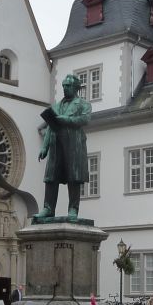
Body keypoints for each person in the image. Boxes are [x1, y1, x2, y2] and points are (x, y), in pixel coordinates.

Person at [34, 74, 92, 222]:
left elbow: (85, 119)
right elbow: (50, 127)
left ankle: (73, 209)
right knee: (51, 177)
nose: (65, 88)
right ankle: (48, 208)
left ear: (76, 88)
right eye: (64, 86)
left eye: (68, 86)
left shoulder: (83, 104)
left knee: (74, 176)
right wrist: (44, 147)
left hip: (74, 144)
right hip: (56, 144)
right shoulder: (56, 106)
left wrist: (68, 120)